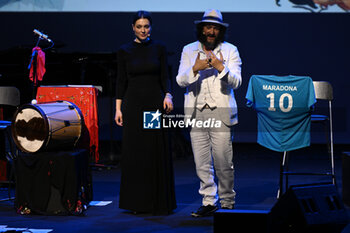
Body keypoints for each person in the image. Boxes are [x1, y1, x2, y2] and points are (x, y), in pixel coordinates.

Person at [176, 9, 242, 217]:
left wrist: (221, 67)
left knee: (223, 161)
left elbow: (237, 82)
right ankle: (208, 201)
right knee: (202, 162)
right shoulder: (189, 50)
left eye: (215, 28)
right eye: (208, 27)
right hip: (197, 114)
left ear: (220, 31)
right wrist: (194, 69)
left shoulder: (231, 50)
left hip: (221, 114)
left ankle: (228, 201)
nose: (211, 31)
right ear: (201, 29)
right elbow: (180, 80)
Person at [115, 10, 176, 215]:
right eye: (139, 26)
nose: (143, 30)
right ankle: (136, 202)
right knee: (135, 153)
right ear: (133, 27)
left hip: (153, 105)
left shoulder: (159, 48)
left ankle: (156, 201)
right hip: (132, 106)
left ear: (151, 27)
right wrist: (118, 109)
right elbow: (120, 81)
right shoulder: (124, 50)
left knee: (152, 151)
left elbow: (165, 75)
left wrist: (168, 95)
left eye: (146, 26)